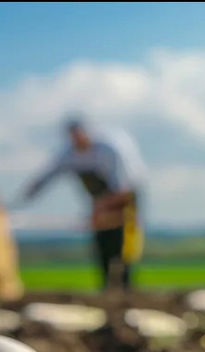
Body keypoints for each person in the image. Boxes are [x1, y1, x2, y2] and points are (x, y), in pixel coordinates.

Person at [20, 116, 146, 290]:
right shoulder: (68, 154)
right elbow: (46, 177)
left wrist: (103, 205)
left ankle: (126, 287)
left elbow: (124, 189)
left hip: (123, 199)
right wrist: (25, 196)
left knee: (123, 244)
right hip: (99, 201)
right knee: (102, 243)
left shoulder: (111, 150)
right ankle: (106, 288)